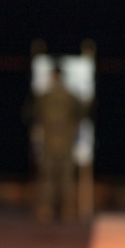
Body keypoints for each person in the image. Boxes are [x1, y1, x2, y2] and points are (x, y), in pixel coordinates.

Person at [27, 67, 85, 222]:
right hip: (61, 142)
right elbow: (82, 112)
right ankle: (64, 209)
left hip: (53, 142)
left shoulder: (46, 97)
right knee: (60, 177)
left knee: (51, 177)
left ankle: (51, 209)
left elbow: (33, 114)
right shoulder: (68, 96)